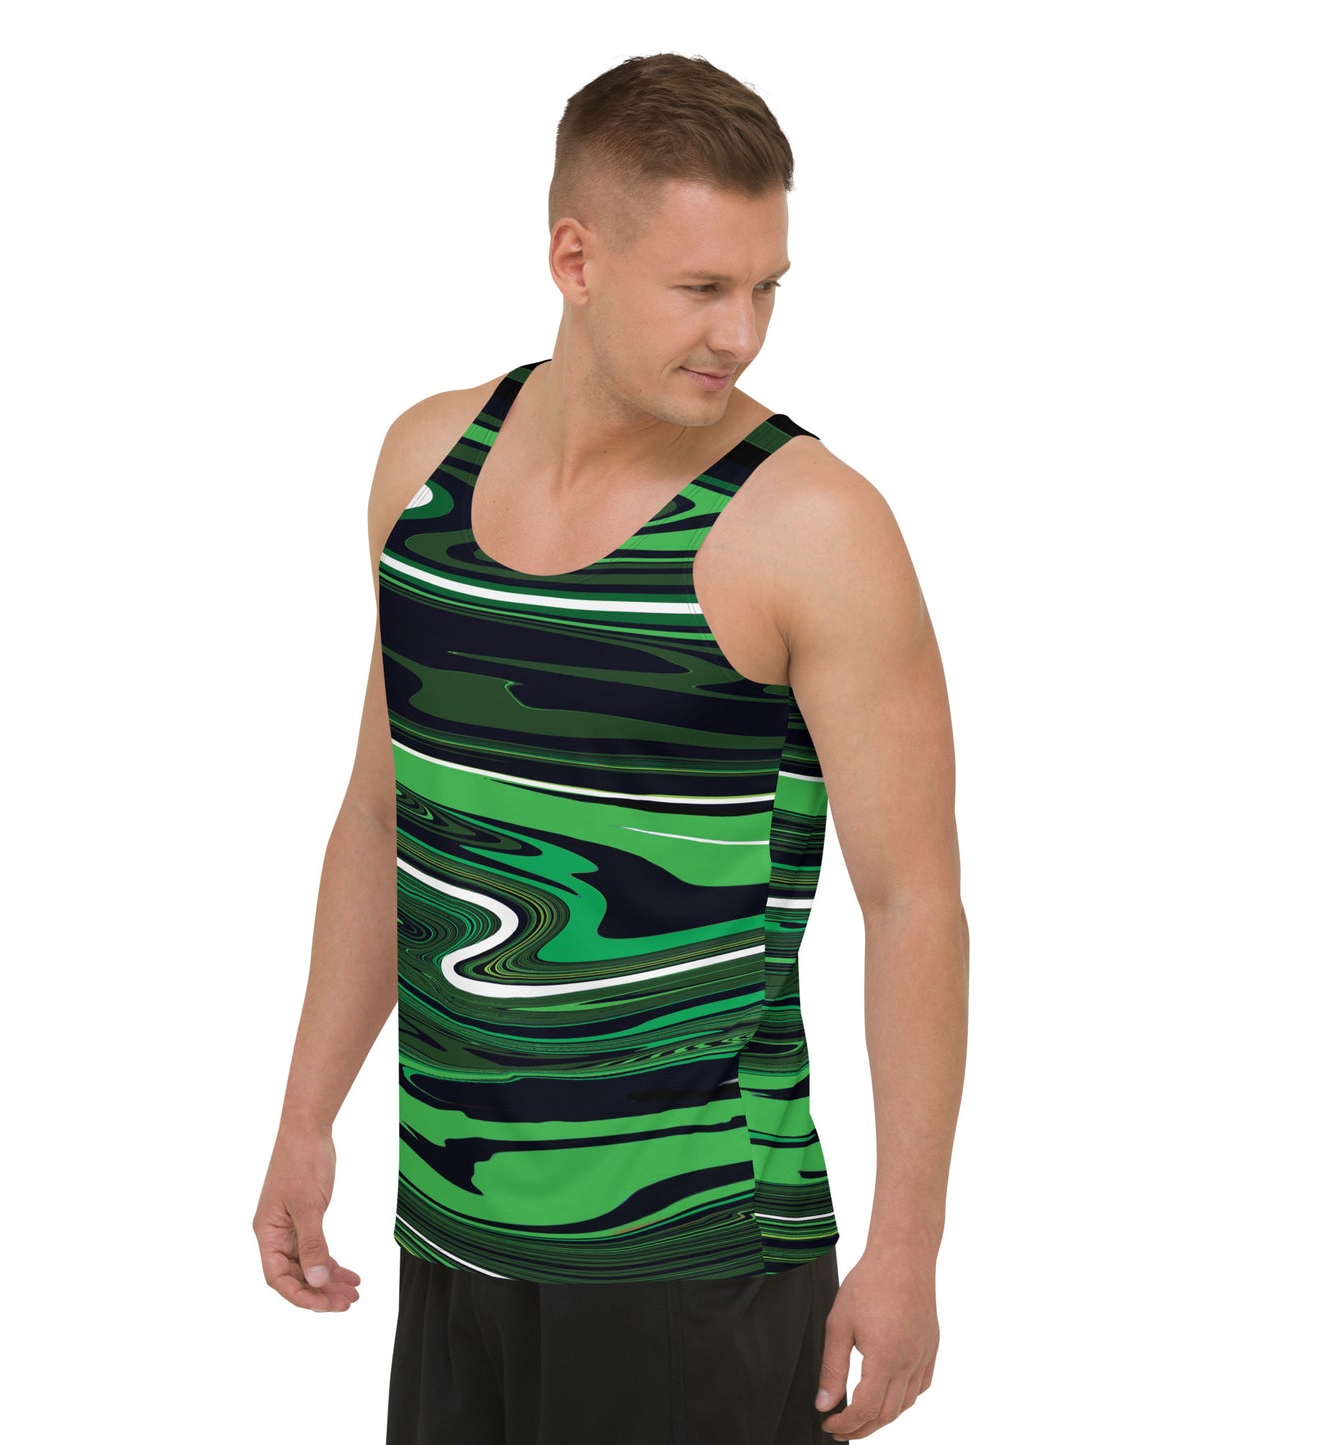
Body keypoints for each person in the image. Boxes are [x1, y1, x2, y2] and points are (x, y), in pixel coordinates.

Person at [253, 52, 968, 1445]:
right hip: (453, 1220)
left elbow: (912, 904)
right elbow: (385, 816)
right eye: (702, 288)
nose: (741, 332)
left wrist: (907, 1250)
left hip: (699, 1257)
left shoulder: (809, 528)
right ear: (574, 259)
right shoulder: (425, 468)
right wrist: (304, 1115)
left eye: (766, 288)